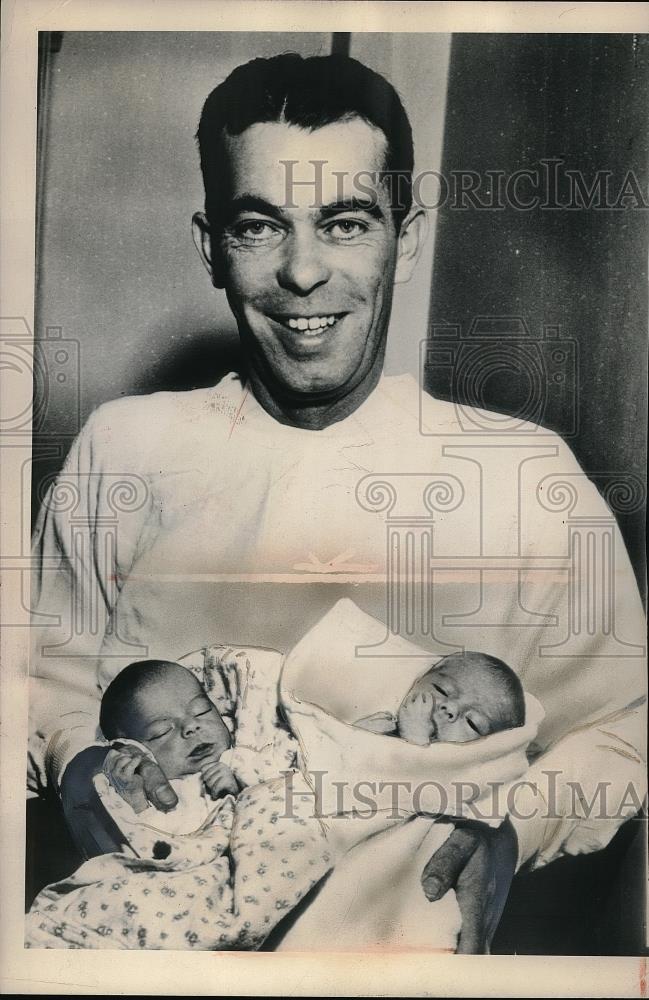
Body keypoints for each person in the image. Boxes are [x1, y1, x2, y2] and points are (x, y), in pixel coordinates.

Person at [28, 53, 646, 952]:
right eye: (258, 228)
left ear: (409, 234)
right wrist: (74, 758)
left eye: (346, 222)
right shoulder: (126, 448)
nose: (302, 273)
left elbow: (627, 724)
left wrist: (516, 826)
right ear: (211, 248)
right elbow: (33, 679)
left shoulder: (524, 476)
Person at [98, 659, 240, 822]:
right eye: (162, 732)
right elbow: (155, 842)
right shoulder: (160, 797)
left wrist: (240, 786)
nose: (191, 726)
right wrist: (138, 804)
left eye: (201, 711)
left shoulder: (243, 752)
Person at [355, 651, 525, 745]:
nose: (450, 708)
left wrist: (415, 738)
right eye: (441, 690)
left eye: (472, 723)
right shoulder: (384, 725)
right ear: (418, 681)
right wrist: (355, 735)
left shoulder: (454, 777)